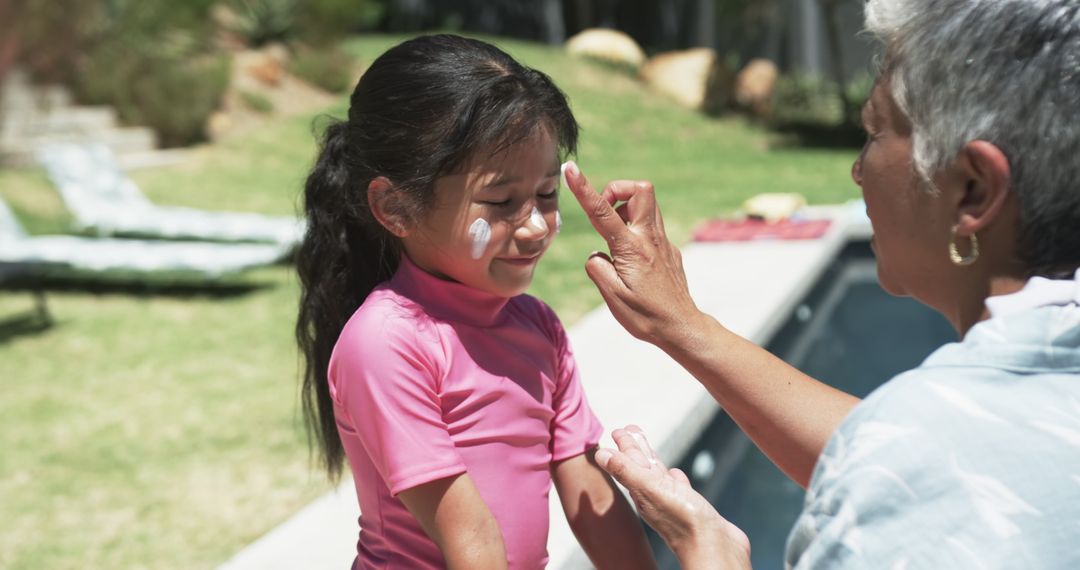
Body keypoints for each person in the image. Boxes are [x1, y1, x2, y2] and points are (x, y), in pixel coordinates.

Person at [560, 0, 1080, 567]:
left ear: (973, 190)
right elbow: (921, 447)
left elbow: (915, 462)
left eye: (874, 133)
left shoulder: (911, 489)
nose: (858, 170)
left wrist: (708, 548)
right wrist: (682, 325)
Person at [294, 35, 654, 570]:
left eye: (546, 194)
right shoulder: (388, 342)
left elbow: (591, 494)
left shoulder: (538, 327)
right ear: (397, 208)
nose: (535, 226)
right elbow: (473, 541)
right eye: (502, 202)